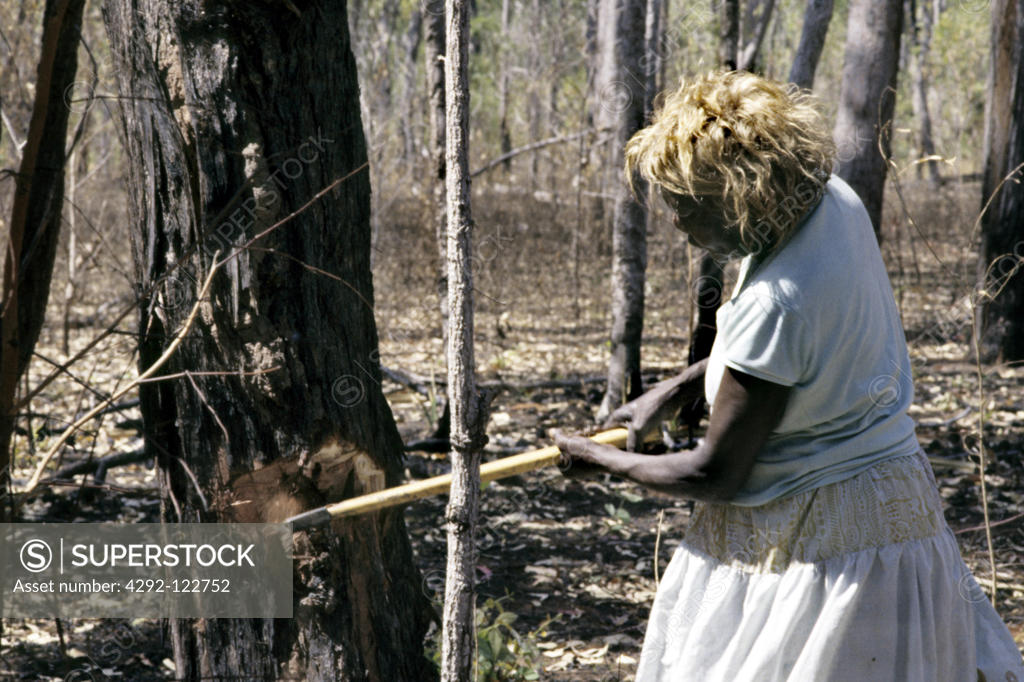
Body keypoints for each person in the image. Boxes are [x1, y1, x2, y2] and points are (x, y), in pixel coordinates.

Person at [554, 70, 1024, 681]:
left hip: (820, 545)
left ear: (737, 195)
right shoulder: (831, 201)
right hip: (892, 512)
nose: (677, 225)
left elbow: (712, 472)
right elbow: (797, 358)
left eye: (687, 207)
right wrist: (677, 387)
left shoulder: (775, 302)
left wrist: (603, 461)